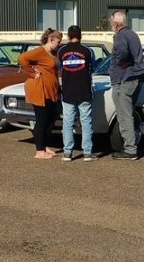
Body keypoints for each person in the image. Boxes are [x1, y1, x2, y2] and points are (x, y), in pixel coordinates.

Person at [18, 28, 63, 159]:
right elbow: (22, 58)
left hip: (50, 91)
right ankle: (39, 151)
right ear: (51, 39)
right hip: (40, 90)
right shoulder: (40, 51)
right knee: (42, 120)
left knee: (51, 119)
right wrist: (32, 73)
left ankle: (44, 146)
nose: (59, 44)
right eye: (58, 41)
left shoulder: (52, 54)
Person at [108, 10, 144, 160]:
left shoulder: (121, 35)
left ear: (116, 24)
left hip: (125, 78)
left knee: (124, 114)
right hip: (135, 76)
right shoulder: (132, 34)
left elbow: (122, 53)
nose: (111, 25)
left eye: (111, 22)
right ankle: (130, 145)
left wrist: (117, 64)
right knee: (127, 112)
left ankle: (130, 149)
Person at [57, 25, 96, 162]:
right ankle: (88, 153)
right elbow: (93, 68)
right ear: (80, 36)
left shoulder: (61, 51)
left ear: (68, 36)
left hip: (68, 91)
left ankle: (67, 152)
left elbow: (60, 67)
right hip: (84, 91)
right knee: (86, 122)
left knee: (67, 123)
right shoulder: (88, 50)